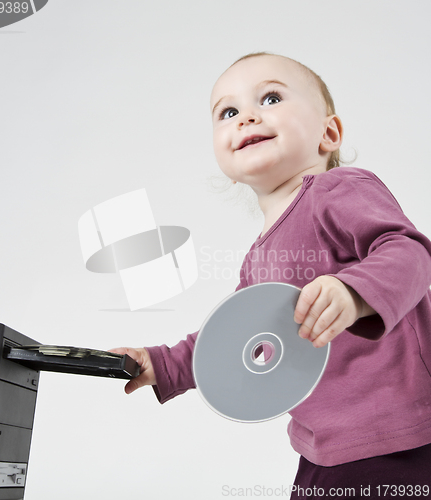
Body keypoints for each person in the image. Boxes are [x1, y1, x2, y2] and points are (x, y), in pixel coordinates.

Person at [111, 53, 431, 497]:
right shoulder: (258, 256)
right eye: (228, 112)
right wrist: (163, 364)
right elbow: (230, 337)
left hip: (398, 436)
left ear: (328, 133)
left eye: (271, 97)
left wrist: (353, 292)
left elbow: (410, 252)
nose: (247, 117)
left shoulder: (337, 190)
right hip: (321, 449)